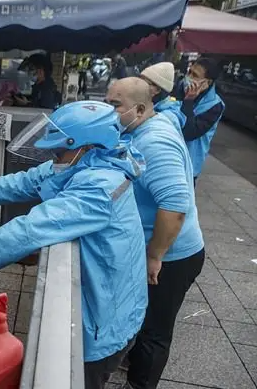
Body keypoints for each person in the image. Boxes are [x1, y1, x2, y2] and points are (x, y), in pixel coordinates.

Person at [0, 101, 148, 389]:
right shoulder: (84, 162)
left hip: (105, 324)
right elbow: (26, 181)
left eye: (58, 150)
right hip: (106, 302)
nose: (53, 156)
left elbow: (28, 231)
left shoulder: (99, 187)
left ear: (86, 146)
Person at [105, 78, 205, 389]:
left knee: (154, 331)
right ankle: (130, 365)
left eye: (115, 106)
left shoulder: (155, 142)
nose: (109, 112)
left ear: (139, 108)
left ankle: (140, 383)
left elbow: (175, 207)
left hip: (173, 255)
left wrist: (154, 255)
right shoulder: (139, 129)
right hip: (156, 247)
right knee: (139, 317)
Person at [173, 58, 225, 185]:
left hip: (189, 163)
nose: (188, 77)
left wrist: (189, 101)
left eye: (194, 75)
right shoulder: (179, 88)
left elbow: (190, 132)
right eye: (189, 72)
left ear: (207, 82)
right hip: (169, 154)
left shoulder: (215, 106)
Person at [140, 62, 186, 135]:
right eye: (140, 80)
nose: (139, 85)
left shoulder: (169, 117)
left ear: (158, 90)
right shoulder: (146, 104)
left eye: (146, 83)